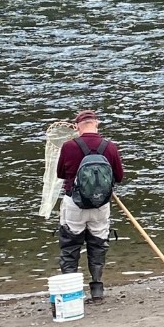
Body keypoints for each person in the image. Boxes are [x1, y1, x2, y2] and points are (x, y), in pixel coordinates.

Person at [56, 110, 123, 302]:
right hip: (100, 205)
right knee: (98, 244)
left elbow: (61, 173)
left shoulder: (69, 147)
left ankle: (71, 291)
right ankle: (97, 290)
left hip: (74, 204)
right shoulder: (109, 147)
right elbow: (118, 177)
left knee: (70, 246)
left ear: (77, 126)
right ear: (97, 124)